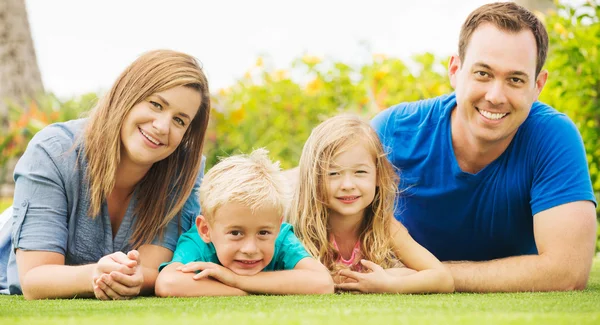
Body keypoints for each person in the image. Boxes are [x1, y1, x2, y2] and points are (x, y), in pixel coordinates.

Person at [371, 2, 597, 292]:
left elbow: (567, 271)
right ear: (455, 70)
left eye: (515, 79)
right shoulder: (393, 132)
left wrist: (430, 275)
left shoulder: (553, 137)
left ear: (538, 86)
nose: (495, 96)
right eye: (483, 74)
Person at [0, 49, 211, 299]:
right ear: (127, 95)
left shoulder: (184, 170)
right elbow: (34, 280)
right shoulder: (53, 151)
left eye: (179, 121)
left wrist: (134, 277)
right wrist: (96, 274)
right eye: (156, 104)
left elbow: (152, 270)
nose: (162, 127)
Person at [290, 114, 454, 294]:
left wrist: (389, 284)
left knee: (402, 274)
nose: (347, 185)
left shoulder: (386, 226)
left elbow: (443, 278)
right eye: (333, 173)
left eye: (360, 172)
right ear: (314, 179)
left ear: (378, 176)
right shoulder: (300, 229)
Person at [155, 148, 334, 296]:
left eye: (263, 233)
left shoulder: (281, 238)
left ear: (278, 227)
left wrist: (236, 280)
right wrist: (243, 292)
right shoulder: (197, 243)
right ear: (205, 229)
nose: (250, 249)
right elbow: (168, 283)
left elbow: (323, 283)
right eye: (235, 233)